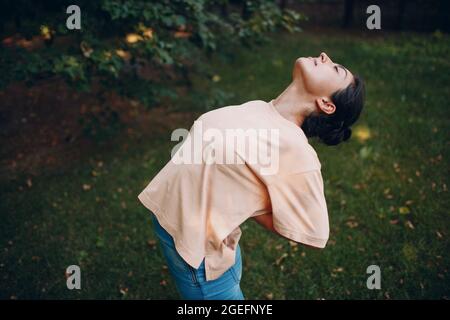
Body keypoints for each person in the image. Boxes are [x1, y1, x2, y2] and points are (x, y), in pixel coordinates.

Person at [138, 52, 365, 300]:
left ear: (326, 104)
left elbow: (315, 231)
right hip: (172, 226)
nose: (325, 56)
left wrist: (251, 205)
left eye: (335, 69)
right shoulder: (260, 108)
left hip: (201, 260)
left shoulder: (296, 152)